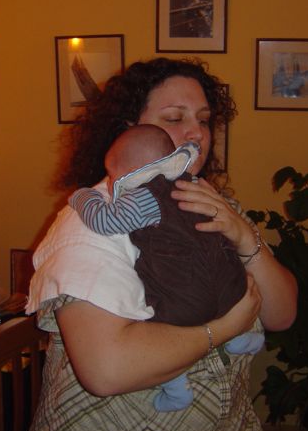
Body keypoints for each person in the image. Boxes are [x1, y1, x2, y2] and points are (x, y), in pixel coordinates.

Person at [26, 57, 298, 431]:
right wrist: (224, 329)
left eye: (204, 119)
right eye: (174, 118)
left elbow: (281, 314)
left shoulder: (213, 202)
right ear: (129, 130)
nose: (197, 132)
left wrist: (243, 235)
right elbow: (107, 370)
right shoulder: (93, 221)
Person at [68, 124, 266, 412]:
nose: (110, 183)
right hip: (231, 288)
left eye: (112, 175)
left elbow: (105, 221)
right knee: (215, 289)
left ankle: (176, 388)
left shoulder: (146, 195)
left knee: (155, 325)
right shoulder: (192, 185)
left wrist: (83, 197)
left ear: (132, 171)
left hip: (186, 301)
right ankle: (240, 338)